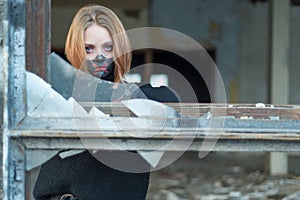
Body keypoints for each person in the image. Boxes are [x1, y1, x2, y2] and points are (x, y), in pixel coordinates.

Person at [33, 4, 178, 200]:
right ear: (76, 48)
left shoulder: (136, 96)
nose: (99, 57)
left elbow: (168, 101)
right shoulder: (58, 95)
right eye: (88, 49)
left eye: (108, 48)